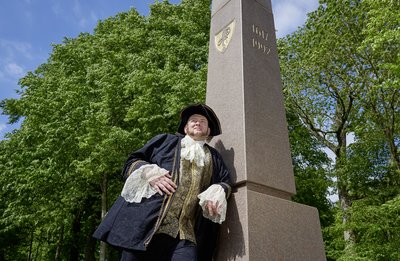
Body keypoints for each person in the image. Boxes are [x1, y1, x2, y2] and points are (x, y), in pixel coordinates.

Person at [93, 104, 232, 261]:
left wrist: (217, 191)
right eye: (193, 120)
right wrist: (149, 173)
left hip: (185, 233)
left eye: (202, 121)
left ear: (208, 131)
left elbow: (225, 182)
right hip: (147, 227)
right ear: (185, 128)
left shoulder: (214, 157)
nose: (197, 123)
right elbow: (132, 162)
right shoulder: (165, 141)